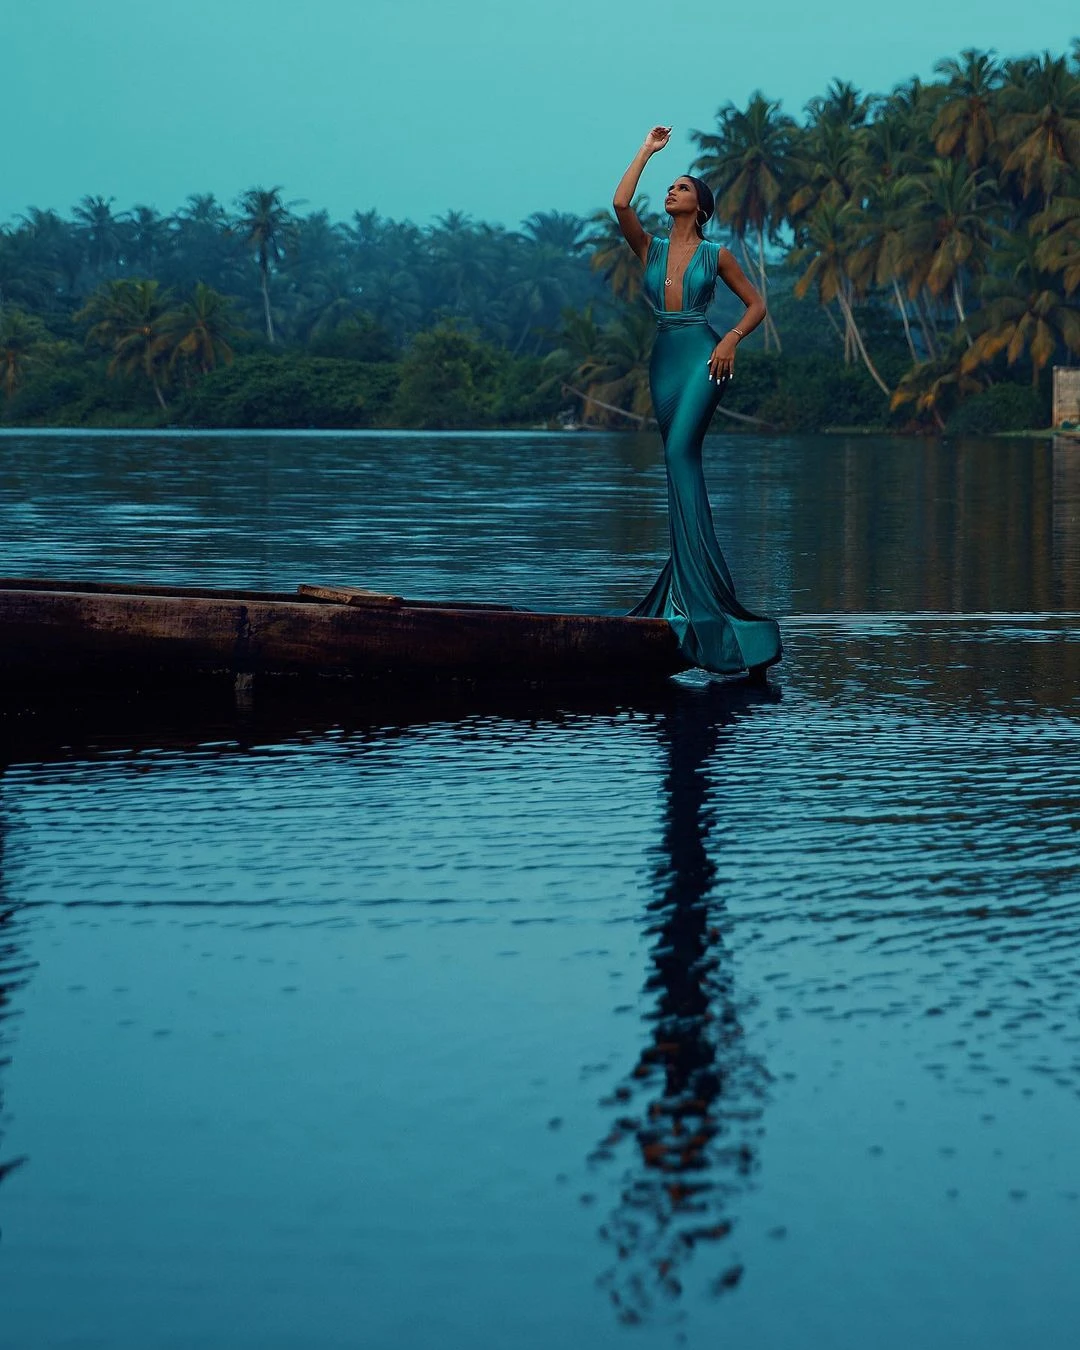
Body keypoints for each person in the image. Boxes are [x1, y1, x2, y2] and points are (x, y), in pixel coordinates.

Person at [615, 125, 783, 682]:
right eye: (671, 188)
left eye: (682, 188)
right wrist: (646, 151)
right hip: (663, 359)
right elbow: (619, 202)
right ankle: (691, 593)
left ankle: (705, 605)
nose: (672, 192)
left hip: (706, 358)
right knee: (677, 462)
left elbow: (757, 305)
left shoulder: (718, 254)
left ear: (700, 207)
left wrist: (732, 339)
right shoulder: (651, 248)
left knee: (680, 455)